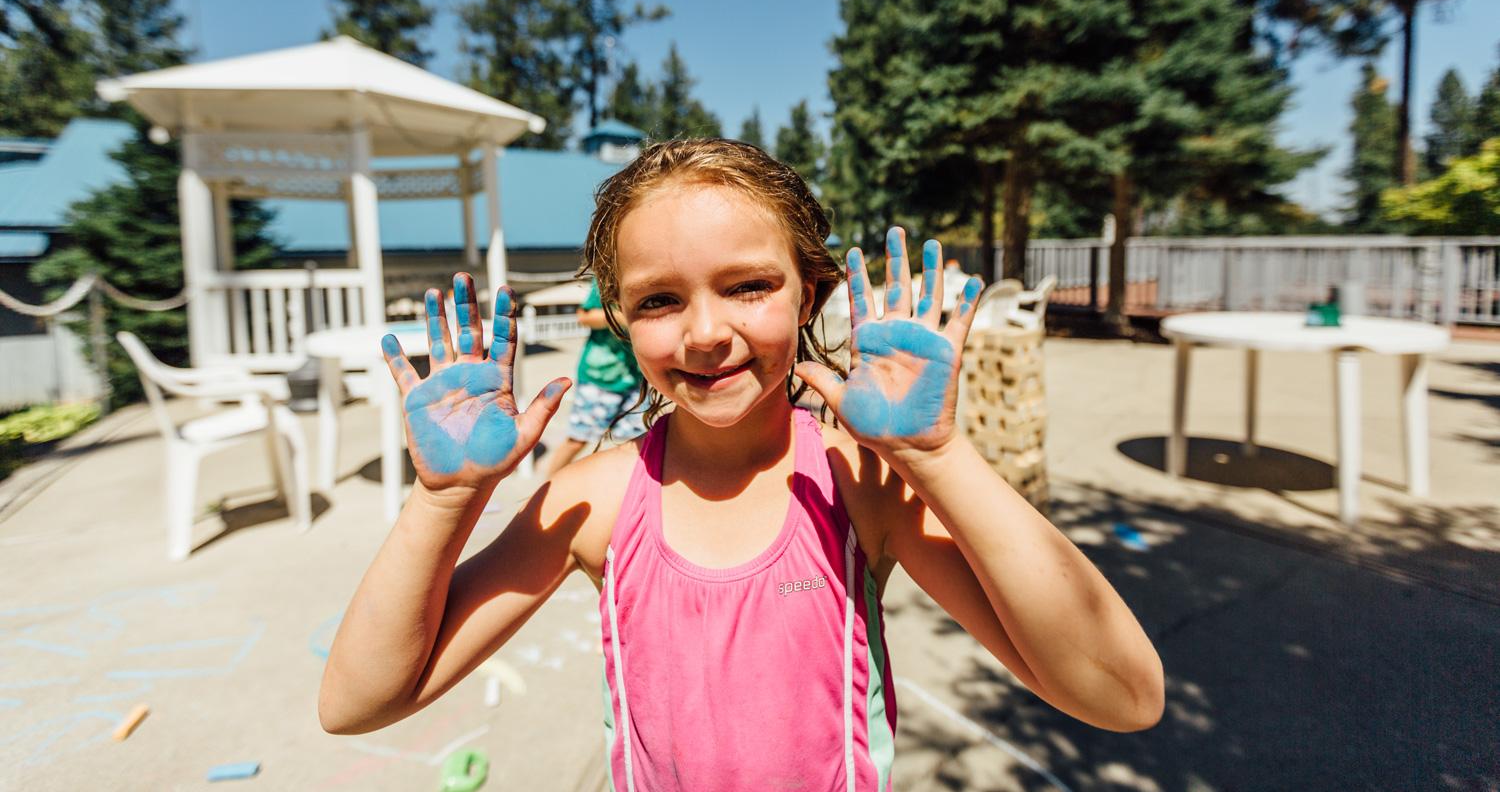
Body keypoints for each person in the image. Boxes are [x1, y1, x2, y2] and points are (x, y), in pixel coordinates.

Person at [319, 139, 1163, 789]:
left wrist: (937, 457)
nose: (705, 333)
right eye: (659, 299)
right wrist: (444, 503)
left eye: (749, 286)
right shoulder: (592, 502)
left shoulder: (861, 488)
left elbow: (1120, 695)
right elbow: (358, 703)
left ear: (811, 292)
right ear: (620, 319)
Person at [539, 278, 647, 478]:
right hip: (600, 376)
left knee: (635, 441)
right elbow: (585, 316)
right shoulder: (606, 280)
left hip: (639, 376)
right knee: (578, 439)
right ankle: (546, 488)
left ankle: (626, 490)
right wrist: (620, 317)